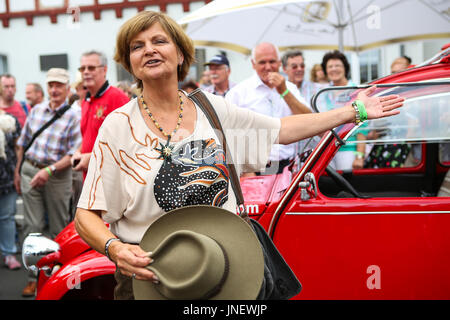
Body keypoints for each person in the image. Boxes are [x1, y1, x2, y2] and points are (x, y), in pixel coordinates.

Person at [73, 11, 403, 300]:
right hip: (151, 279)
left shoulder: (210, 108)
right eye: (136, 46)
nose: (148, 50)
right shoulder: (118, 126)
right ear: (129, 61)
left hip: (224, 270)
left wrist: (352, 111)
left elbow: (281, 129)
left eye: (159, 41)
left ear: (180, 53)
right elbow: (86, 216)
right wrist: (114, 249)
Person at [14, 68, 82, 297]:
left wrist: (49, 171)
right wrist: (18, 171)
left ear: (67, 88)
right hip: (29, 170)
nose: (54, 89)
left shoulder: (74, 115)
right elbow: (23, 143)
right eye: (51, 85)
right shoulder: (36, 110)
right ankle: (33, 277)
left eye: (59, 85)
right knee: (32, 229)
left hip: (57, 176)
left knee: (58, 229)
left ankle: (55, 277)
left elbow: (73, 154)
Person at [226, 42, 311, 175]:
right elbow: (227, 133)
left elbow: (308, 119)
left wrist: (284, 92)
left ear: (279, 63)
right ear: (253, 64)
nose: (268, 67)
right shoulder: (239, 93)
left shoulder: (290, 88)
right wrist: (245, 170)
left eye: (272, 61)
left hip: (287, 166)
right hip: (253, 169)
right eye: (262, 62)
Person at [71, 51, 129, 175]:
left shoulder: (117, 97)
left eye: (91, 68)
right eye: (82, 68)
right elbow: (88, 135)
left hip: (110, 178)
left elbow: (126, 143)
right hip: (89, 177)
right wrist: (78, 151)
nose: (85, 72)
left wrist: (92, 158)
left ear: (104, 70)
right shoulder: (86, 100)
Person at [321, 50, 367, 170]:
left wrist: (360, 156)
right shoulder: (324, 93)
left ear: (345, 69)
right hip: (327, 150)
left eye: (337, 65)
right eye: (330, 66)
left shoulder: (356, 91)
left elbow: (363, 126)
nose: (333, 69)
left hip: (349, 150)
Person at [0, 83, 22, 270]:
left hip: (6, 177)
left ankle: (9, 254)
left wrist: (17, 172)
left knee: (7, 217)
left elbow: (18, 147)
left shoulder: (10, 121)